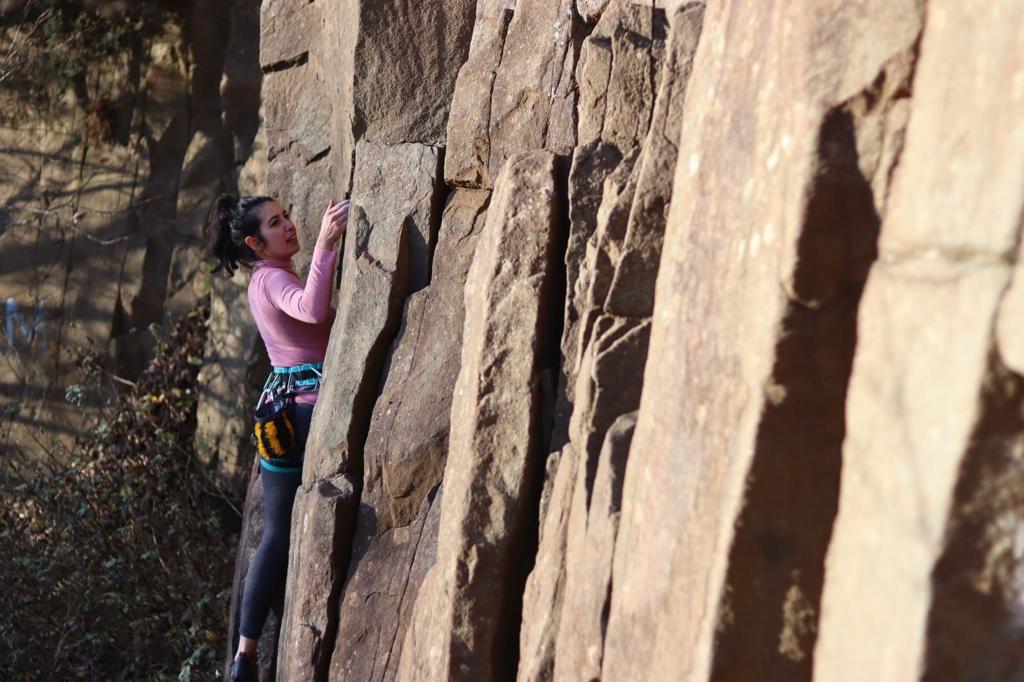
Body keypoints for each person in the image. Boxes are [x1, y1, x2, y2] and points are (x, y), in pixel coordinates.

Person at [206, 193, 350, 681]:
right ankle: (246, 657)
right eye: (274, 222)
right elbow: (311, 311)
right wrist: (328, 244)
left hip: (280, 408)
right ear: (253, 241)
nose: (288, 225)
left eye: (286, 215)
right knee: (279, 533)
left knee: (277, 534)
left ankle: (244, 656)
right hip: (301, 414)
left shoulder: (262, 278)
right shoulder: (270, 279)